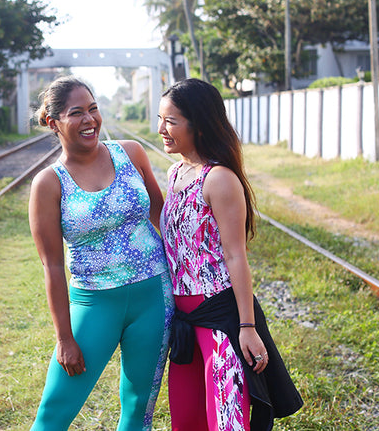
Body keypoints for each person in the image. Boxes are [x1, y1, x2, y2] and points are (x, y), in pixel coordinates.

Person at [28, 76, 174, 430]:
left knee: (139, 410)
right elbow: (52, 265)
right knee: (54, 411)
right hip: (94, 304)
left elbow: (164, 218)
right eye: (76, 113)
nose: (90, 120)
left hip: (154, 297)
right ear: (53, 121)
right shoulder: (49, 183)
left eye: (93, 109)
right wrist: (64, 338)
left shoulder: (131, 153)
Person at [157, 78, 302, 431]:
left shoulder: (218, 179)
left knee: (227, 420)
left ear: (199, 124)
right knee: (187, 419)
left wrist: (248, 327)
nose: (161, 129)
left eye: (171, 121)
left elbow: (236, 256)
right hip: (184, 322)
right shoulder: (176, 172)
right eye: (160, 119)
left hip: (219, 317)